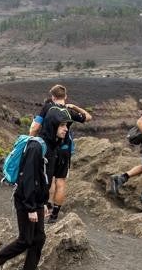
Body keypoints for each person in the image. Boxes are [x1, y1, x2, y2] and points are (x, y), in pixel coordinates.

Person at [0, 130, 49, 270]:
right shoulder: (35, 147)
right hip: (26, 201)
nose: (65, 129)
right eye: (63, 126)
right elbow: (28, 177)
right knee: (25, 240)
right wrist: (31, 207)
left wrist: (42, 202)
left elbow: (40, 177)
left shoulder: (44, 146)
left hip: (35, 201)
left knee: (38, 237)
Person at [26, 85, 92, 223]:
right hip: (65, 149)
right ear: (65, 96)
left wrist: (30, 141)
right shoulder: (68, 111)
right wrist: (74, 107)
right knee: (60, 181)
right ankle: (55, 215)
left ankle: (46, 207)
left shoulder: (47, 108)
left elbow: (35, 127)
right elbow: (88, 117)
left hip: (49, 148)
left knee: (48, 178)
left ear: (52, 97)